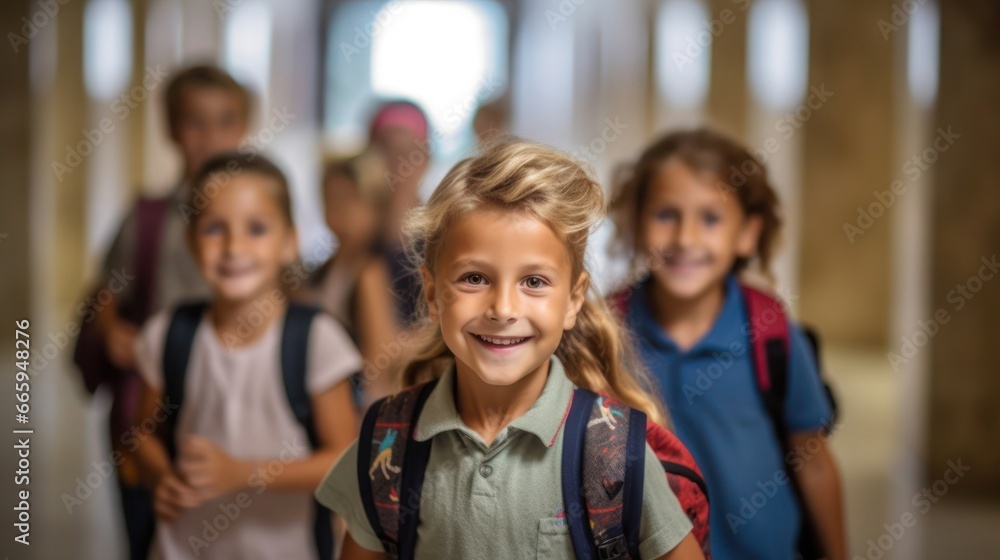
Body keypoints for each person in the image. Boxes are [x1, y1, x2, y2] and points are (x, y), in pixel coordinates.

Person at [315, 139, 705, 559]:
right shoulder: (387, 446)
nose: (503, 309)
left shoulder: (613, 455)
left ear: (573, 301)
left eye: (534, 282)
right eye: (474, 278)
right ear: (432, 293)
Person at [609, 129, 845, 560]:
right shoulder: (606, 331)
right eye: (666, 214)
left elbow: (811, 460)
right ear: (636, 223)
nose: (685, 238)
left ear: (747, 234)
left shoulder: (770, 332)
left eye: (711, 219)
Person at [132, 152, 361, 559]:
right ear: (190, 241)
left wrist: (243, 474)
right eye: (214, 228)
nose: (234, 246)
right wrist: (163, 477)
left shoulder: (316, 340)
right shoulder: (167, 334)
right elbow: (142, 435)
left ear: (289, 242)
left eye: (256, 228)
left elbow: (344, 459)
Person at [83, 64, 251, 559]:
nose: (210, 137)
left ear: (243, 128)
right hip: (151, 405)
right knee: (149, 531)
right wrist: (112, 331)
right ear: (172, 129)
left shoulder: (259, 212)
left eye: (225, 121)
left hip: (231, 402)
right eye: (195, 122)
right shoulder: (149, 217)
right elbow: (106, 295)